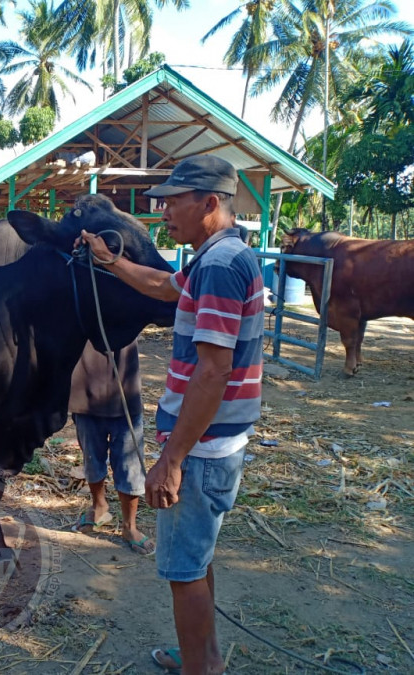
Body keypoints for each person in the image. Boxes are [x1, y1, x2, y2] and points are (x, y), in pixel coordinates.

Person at [79, 154, 264, 675]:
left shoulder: (222, 268)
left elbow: (212, 372)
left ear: (210, 203)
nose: (163, 213)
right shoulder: (216, 259)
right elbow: (164, 288)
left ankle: (201, 669)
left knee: (183, 570)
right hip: (214, 442)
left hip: (201, 449)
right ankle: (201, 655)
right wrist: (110, 260)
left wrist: (173, 460)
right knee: (196, 560)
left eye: (173, 202)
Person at [69, 340, 155, 556]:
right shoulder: (72, 304)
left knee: (129, 465)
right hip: (83, 393)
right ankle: (99, 507)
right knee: (91, 457)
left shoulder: (130, 305)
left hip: (125, 395)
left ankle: (129, 526)